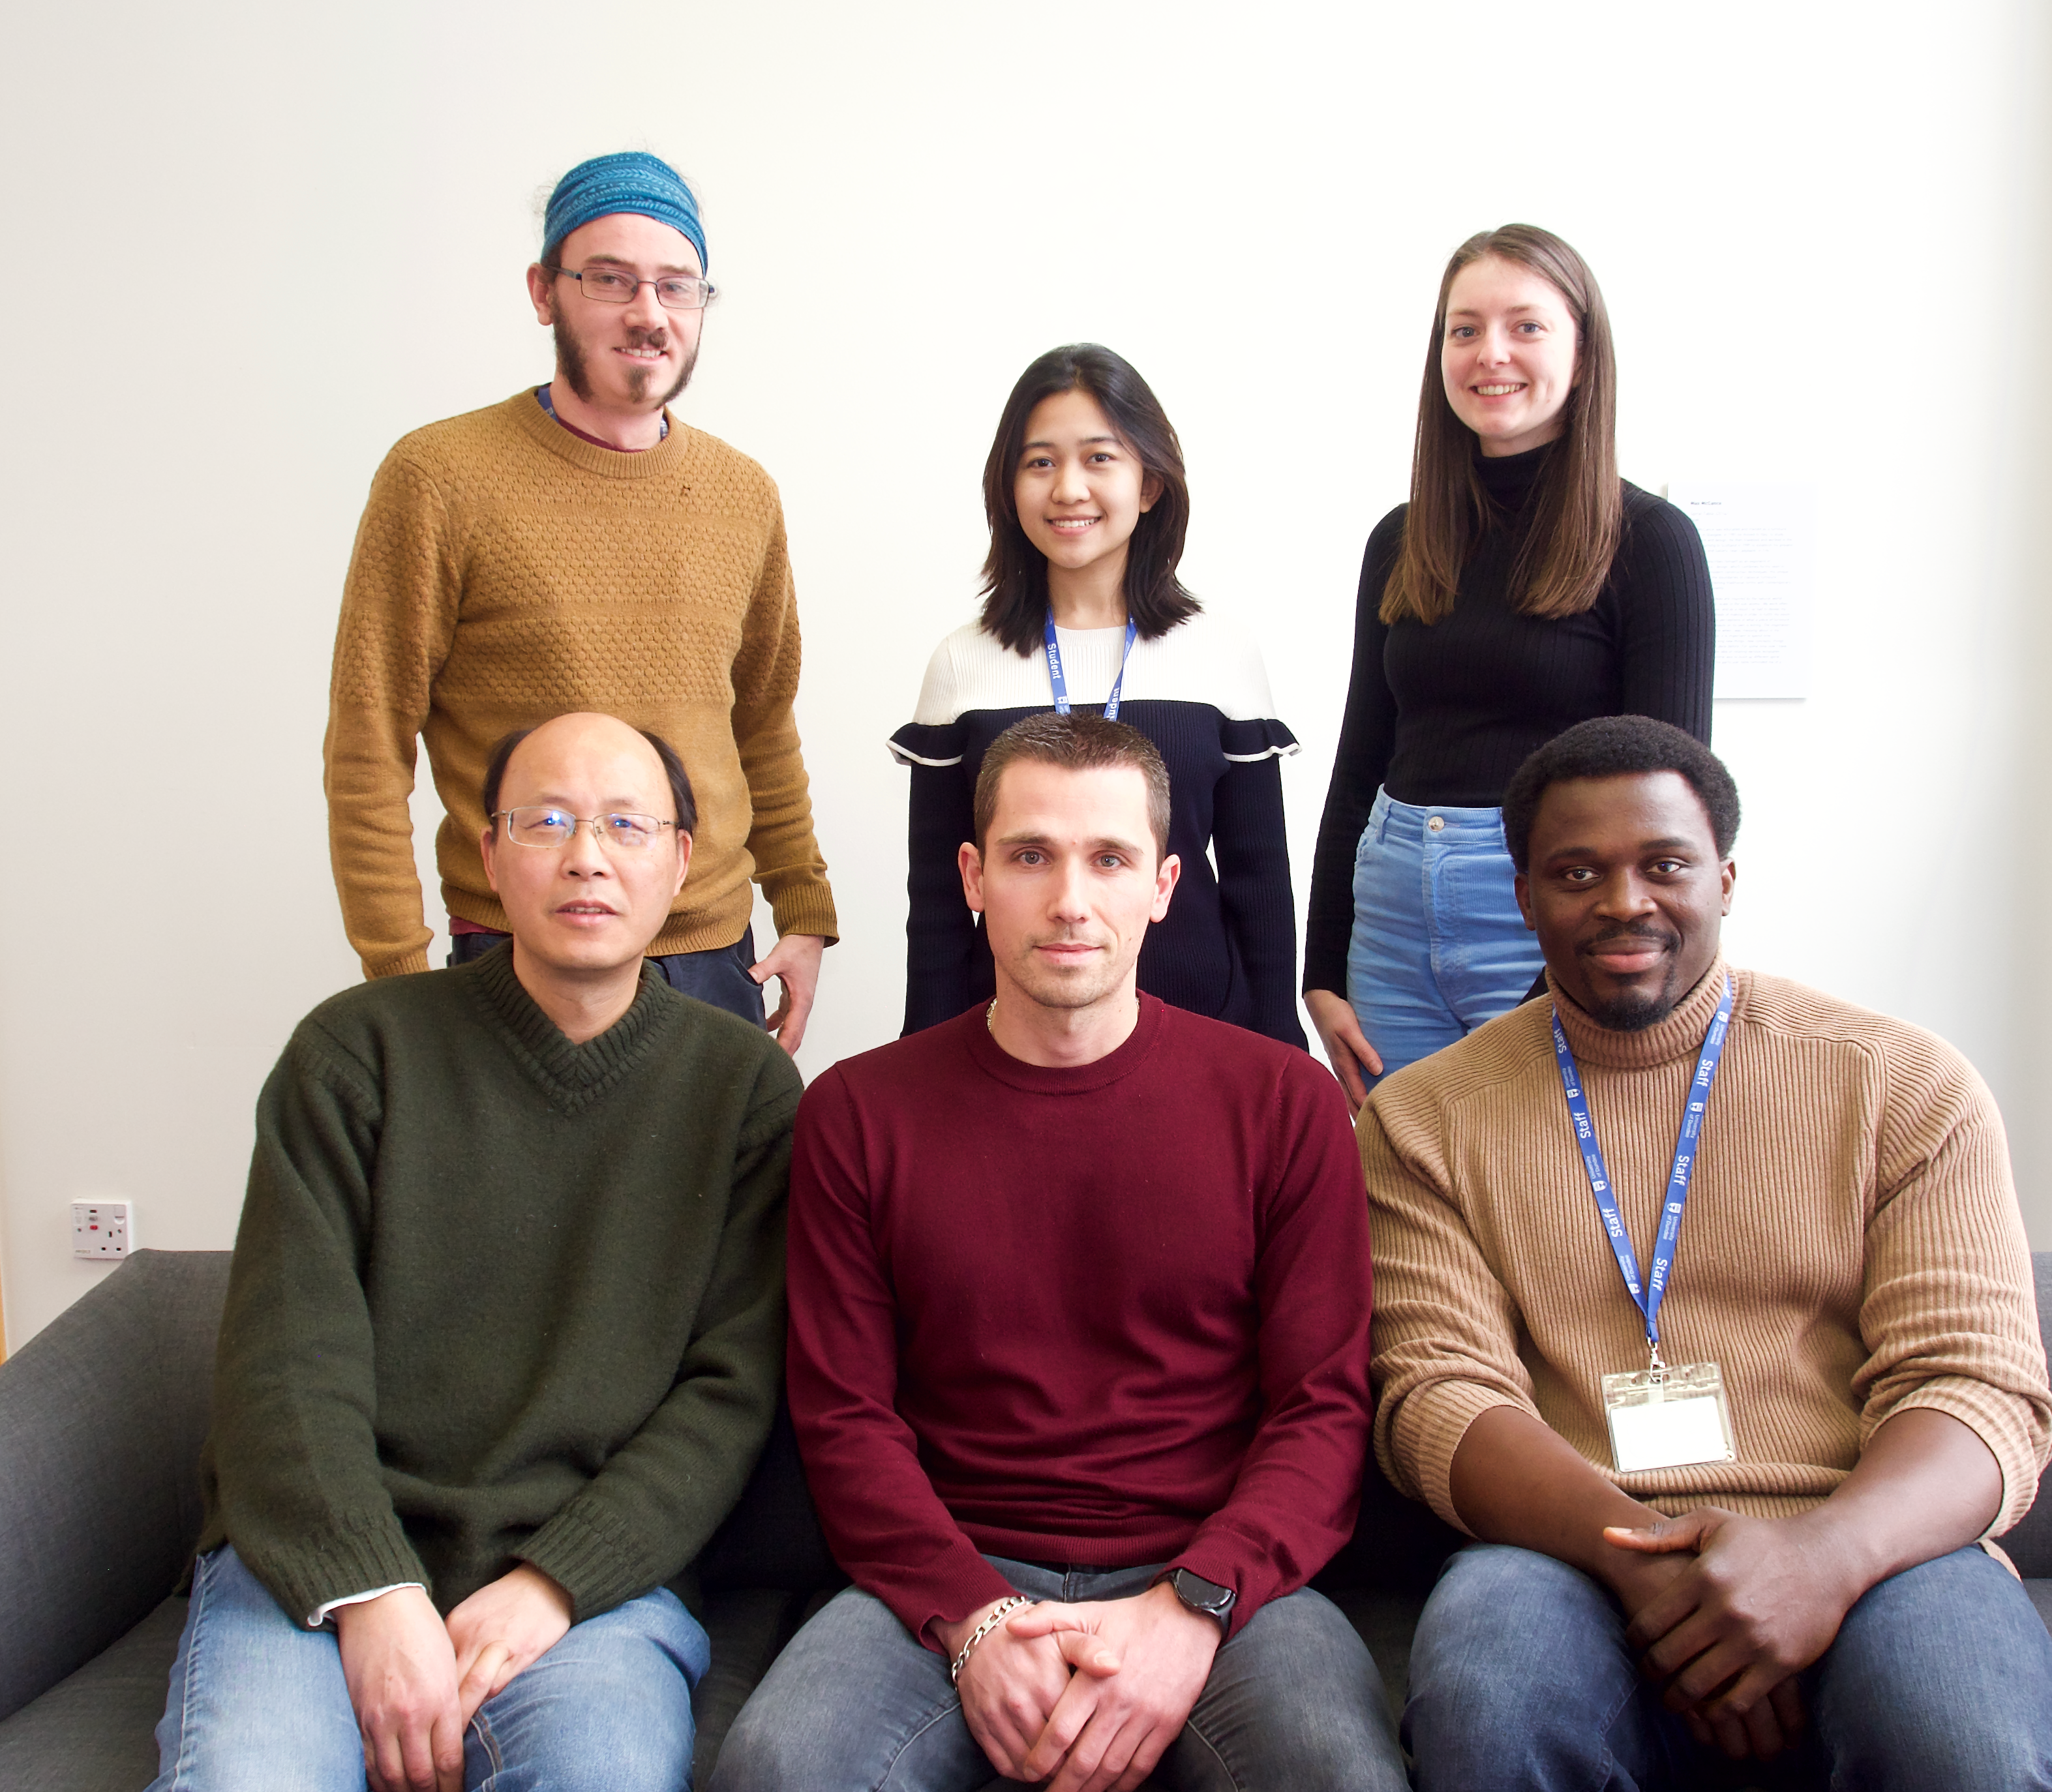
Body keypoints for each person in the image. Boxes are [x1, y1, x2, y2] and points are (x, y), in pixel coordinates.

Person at [1363, 715, 2052, 1791]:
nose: (1623, 900)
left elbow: (1976, 1386)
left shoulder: (1904, 1085)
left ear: (1726, 878)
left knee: (1963, 1746)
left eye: (1663, 864)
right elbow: (1439, 1398)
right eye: (1576, 870)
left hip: (1873, 1537)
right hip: (1568, 1545)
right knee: (1487, 1697)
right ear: (1522, 894)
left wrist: (1816, 1565)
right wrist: (1645, 1567)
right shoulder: (1421, 1117)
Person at [716, 713, 1404, 1792]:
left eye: (1109, 858)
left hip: (1211, 1567)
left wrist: (1194, 1605)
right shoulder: (859, 1109)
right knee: (777, 1766)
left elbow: (1322, 1406)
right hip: (950, 1566)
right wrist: (973, 1617)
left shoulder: (1284, 1101)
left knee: (1334, 1772)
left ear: (1165, 884)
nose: (1071, 899)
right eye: (1031, 855)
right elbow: (843, 1414)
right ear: (973, 874)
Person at [150, 713, 802, 1792]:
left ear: (680, 858)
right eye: (544, 819)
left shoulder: (742, 1090)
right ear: (486, 852)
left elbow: (733, 1393)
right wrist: (370, 1589)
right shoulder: (355, 1051)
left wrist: (553, 1579)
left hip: (591, 1582)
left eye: (625, 823)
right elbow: (284, 1359)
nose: (586, 854)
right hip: (325, 1559)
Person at [324, 150, 836, 1047]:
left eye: (677, 287)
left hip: (712, 959)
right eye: (611, 280)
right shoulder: (438, 478)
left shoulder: (742, 492)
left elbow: (761, 722)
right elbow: (369, 747)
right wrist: (398, 979)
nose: (648, 314)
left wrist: (801, 907)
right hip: (515, 956)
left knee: (725, 1194)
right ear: (543, 290)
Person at [1305, 224, 1715, 1107]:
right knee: (1400, 1197)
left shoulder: (1652, 543)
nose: (1490, 353)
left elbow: (1675, 808)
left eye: (1525, 326)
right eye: (1464, 329)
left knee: (1542, 1196)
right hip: (1392, 918)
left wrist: (1567, 975)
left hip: (1552, 912)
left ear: (1582, 351)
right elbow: (1359, 763)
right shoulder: (1401, 539)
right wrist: (1321, 970)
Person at [891, 344, 1305, 1046]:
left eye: (1099, 458)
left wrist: (1281, 1054)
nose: (1068, 489)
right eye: (1041, 462)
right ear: (1009, 485)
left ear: (1149, 485)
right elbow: (936, 903)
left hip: (1201, 1037)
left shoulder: (1220, 654)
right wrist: (917, 1065)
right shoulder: (964, 663)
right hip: (1011, 1043)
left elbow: (1259, 885)